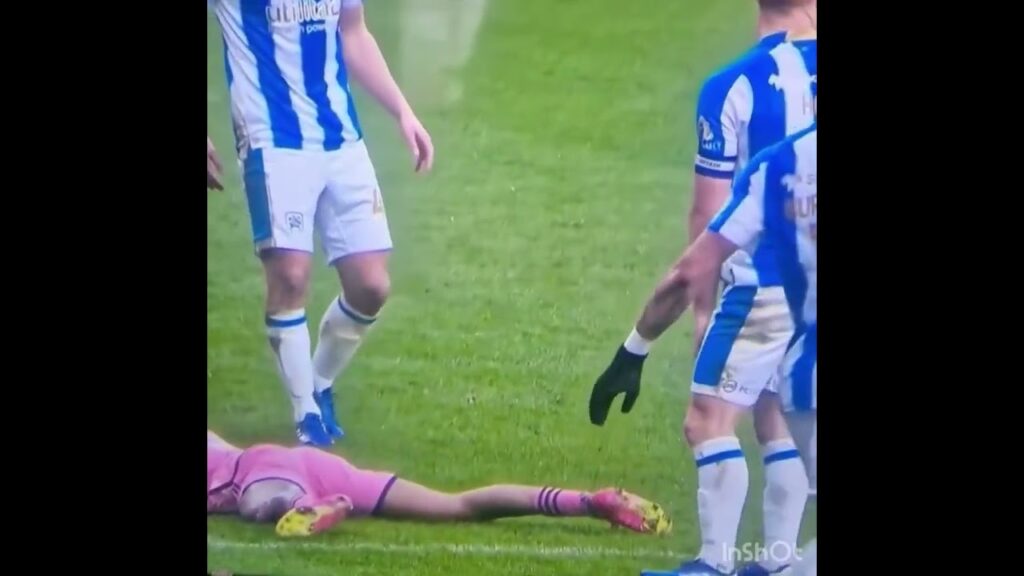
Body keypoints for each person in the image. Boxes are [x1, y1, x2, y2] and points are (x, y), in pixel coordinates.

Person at [589, 2, 816, 573]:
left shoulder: (733, 87)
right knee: (774, 414)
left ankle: (714, 565)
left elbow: (704, 234)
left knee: (706, 419)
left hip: (763, 282)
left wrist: (651, 338)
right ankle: (777, 562)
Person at [207, 0, 435, 447]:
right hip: (271, 139)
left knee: (371, 286)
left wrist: (402, 111)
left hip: (340, 139)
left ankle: (319, 381)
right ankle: (306, 414)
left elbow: (353, 33)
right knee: (290, 276)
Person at [207, 430, 673, 537]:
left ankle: (318, 504)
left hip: (262, 470)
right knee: (456, 507)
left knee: (261, 507)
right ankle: (590, 502)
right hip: (308, 461)